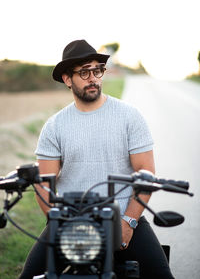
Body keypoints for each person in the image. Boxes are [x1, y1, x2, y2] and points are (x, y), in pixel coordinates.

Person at [18, 39, 174, 279]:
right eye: (84, 72)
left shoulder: (129, 117)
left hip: (122, 217)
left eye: (97, 70)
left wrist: (129, 223)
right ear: (67, 79)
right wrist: (61, 227)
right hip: (70, 223)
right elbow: (44, 183)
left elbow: (146, 173)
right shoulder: (54, 126)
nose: (93, 77)